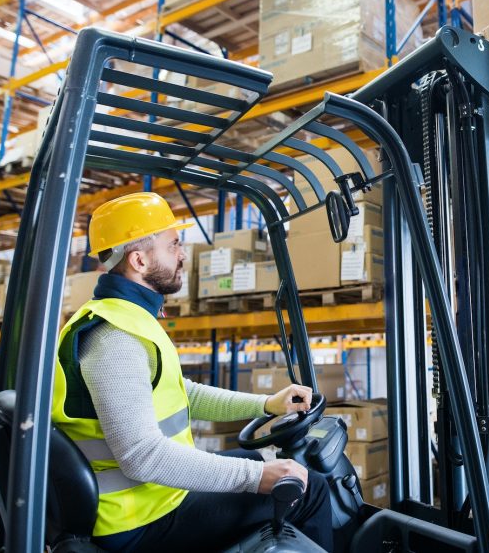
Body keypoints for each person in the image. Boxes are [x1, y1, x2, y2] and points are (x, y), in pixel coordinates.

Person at [52, 192, 332, 552]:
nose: (183, 255)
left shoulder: (130, 319)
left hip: (153, 500)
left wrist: (266, 404)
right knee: (311, 490)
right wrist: (257, 477)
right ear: (139, 260)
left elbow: (184, 393)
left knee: (260, 462)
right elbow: (142, 456)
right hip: (137, 522)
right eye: (174, 246)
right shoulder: (114, 337)